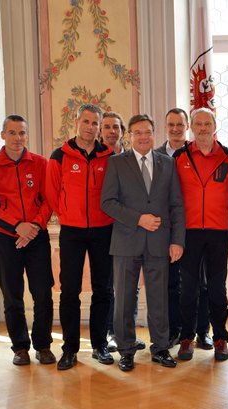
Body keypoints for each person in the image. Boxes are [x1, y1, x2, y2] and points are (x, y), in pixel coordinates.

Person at [101, 114, 186, 372]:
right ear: (129, 135)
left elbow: (176, 206)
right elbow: (107, 203)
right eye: (137, 133)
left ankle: (160, 348)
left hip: (160, 243)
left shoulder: (167, 163)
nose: (143, 137)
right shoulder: (116, 163)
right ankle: (126, 350)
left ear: (154, 133)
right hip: (126, 242)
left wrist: (177, 241)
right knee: (125, 299)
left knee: (159, 299)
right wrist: (139, 219)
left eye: (147, 132)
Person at [0, 115, 55, 366]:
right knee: (13, 296)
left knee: (43, 294)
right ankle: (20, 347)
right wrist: (16, 227)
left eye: (22, 133)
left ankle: (43, 346)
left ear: (27, 135)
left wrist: (32, 227)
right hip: (5, 238)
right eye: (12, 133)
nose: (17, 138)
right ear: (3, 135)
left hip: (36, 237)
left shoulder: (41, 164)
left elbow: (48, 200)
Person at [46, 104, 114, 370]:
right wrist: (65, 213)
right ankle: (69, 349)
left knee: (103, 289)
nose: (90, 127)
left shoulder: (109, 156)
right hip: (72, 231)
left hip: (103, 230)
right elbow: (51, 192)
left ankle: (99, 345)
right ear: (76, 123)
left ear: (99, 127)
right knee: (69, 291)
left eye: (95, 123)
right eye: (86, 122)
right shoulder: (59, 155)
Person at [174, 108, 228, 362]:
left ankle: (220, 336)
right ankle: (187, 337)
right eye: (198, 123)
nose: (202, 128)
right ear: (191, 127)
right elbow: (172, 199)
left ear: (214, 126)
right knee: (188, 289)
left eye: (207, 123)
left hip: (218, 232)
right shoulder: (179, 157)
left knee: (216, 289)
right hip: (188, 233)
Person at [156, 108, 212, 350]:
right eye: (171, 125)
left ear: (187, 126)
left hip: (193, 227)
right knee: (170, 284)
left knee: (201, 282)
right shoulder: (155, 155)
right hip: (163, 230)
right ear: (165, 127)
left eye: (180, 124)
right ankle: (175, 330)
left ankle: (202, 331)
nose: (176, 129)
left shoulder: (195, 152)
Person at [100, 112, 146, 353]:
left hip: (130, 230)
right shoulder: (98, 158)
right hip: (103, 230)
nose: (111, 131)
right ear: (101, 131)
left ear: (122, 132)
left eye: (116, 127)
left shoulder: (131, 158)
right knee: (110, 285)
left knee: (131, 286)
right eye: (107, 127)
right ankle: (111, 333)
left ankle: (127, 333)